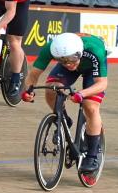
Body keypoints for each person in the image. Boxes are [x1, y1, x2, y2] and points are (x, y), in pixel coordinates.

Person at [22, 33, 108, 173]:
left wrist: (82, 94)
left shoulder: (95, 49)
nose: (68, 64)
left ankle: (92, 157)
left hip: (93, 69)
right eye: (63, 61)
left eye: (71, 60)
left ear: (79, 52)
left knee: (90, 106)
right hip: (76, 60)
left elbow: (102, 83)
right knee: (52, 89)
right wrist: (28, 90)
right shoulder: (51, 48)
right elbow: (33, 75)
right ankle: (64, 120)